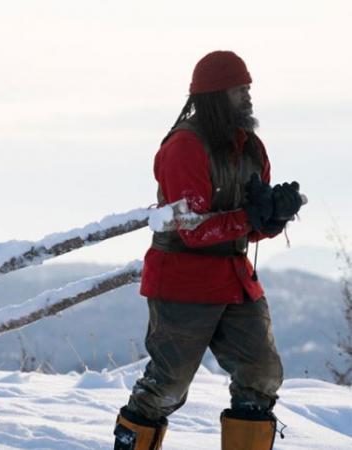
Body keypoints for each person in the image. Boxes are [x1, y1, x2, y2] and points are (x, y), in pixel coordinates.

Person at [113, 51, 303, 450]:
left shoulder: (251, 147)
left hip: (234, 280)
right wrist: (251, 217)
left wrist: (272, 219)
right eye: (239, 89)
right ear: (216, 95)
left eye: (248, 87)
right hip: (183, 282)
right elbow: (192, 228)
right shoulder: (184, 146)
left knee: (262, 375)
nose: (248, 96)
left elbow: (246, 229)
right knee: (167, 386)